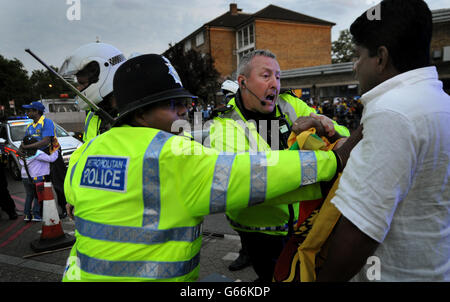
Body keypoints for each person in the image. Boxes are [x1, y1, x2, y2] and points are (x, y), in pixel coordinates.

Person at [61, 53, 361, 282]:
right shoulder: (174, 154)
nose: (183, 111)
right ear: (140, 113)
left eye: (182, 102)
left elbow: (74, 202)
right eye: (172, 104)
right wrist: (332, 160)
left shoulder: (85, 151)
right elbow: (255, 174)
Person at [317, 0, 450, 282]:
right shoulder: (440, 103)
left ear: (380, 57)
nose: (355, 66)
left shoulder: (392, 112)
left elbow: (360, 230)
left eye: (357, 55)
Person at [209, 49, 350, 281]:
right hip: (261, 233)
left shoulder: (289, 104)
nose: (275, 83)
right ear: (242, 83)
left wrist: (324, 126)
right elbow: (254, 177)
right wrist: (317, 158)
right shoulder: (224, 124)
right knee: (274, 276)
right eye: (266, 76)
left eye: (278, 76)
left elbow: (343, 135)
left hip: (303, 222)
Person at [59, 42, 126, 143]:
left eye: (82, 83)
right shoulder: (92, 115)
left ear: (103, 76)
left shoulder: (134, 114)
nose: (78, 89)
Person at [20, 101, 68, 218]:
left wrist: (26, 147)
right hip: (39, 158)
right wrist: (21, 148)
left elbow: (46, 141)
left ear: (36, 111)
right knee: (40, 186)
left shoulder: (47, 122)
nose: (27, 112)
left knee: (58, 185)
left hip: (52, 156)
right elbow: (24, 141)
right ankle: (41, 211)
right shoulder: (30, 126)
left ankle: (64, 208)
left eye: (29, 110)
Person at [19, 136, 58, 222]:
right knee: (38, 197)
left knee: (29, 196)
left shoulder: (22, 153)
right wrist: (56, 150)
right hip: (37, 178)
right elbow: (51, 159)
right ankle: (36, 215)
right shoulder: (38, 153)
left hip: (25, 177)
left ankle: (27, 215)